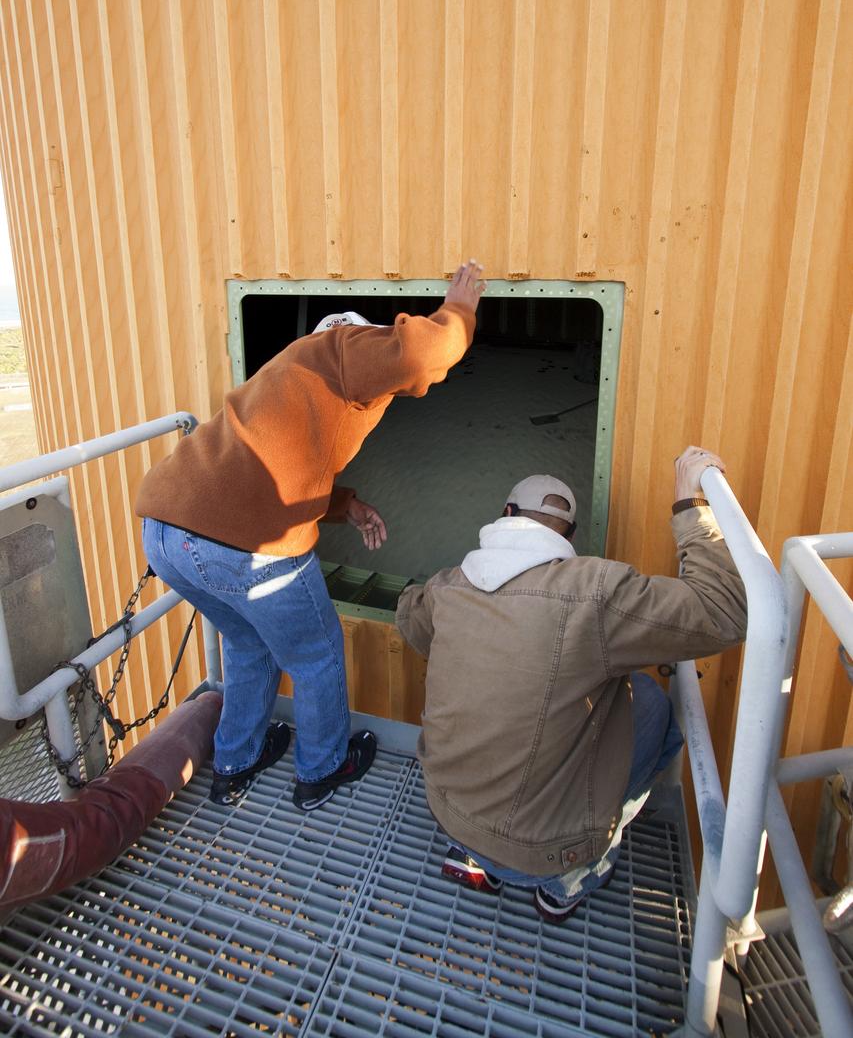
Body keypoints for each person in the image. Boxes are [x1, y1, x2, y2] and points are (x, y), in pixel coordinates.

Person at [136, 261, 486, 810]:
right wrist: (459, 308)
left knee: (249, 643)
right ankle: (321, 769)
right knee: (316, 655)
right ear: (349, 334)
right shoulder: (344, 348)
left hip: (165, 534)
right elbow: (424, 353)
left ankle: (236, 761)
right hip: (246, 551)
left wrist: (345, 506)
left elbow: (281, 462)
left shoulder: (287, 372)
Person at [395, 446, 747, 922]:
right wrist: (689, 503)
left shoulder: (448, 586)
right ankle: (569, 877)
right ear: (571, 535)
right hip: (541, 854)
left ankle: (480, 859)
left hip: (448, 817)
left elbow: (409, 617)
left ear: (506, 515)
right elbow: (723, 611)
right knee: (649, 704)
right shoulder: (595, 590)